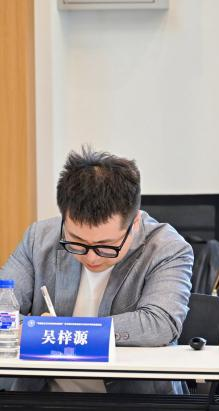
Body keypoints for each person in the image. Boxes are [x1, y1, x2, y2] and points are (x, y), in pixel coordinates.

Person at [0, 147, 193, 394]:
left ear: (134, 223)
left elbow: (159, 324)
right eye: (77, 242)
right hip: (45, 397)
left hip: (132, 400)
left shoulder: (167, 248)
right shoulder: (39, 238)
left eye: (106, 246)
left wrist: (57, 331)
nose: (90, 257)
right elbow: (3, 311)